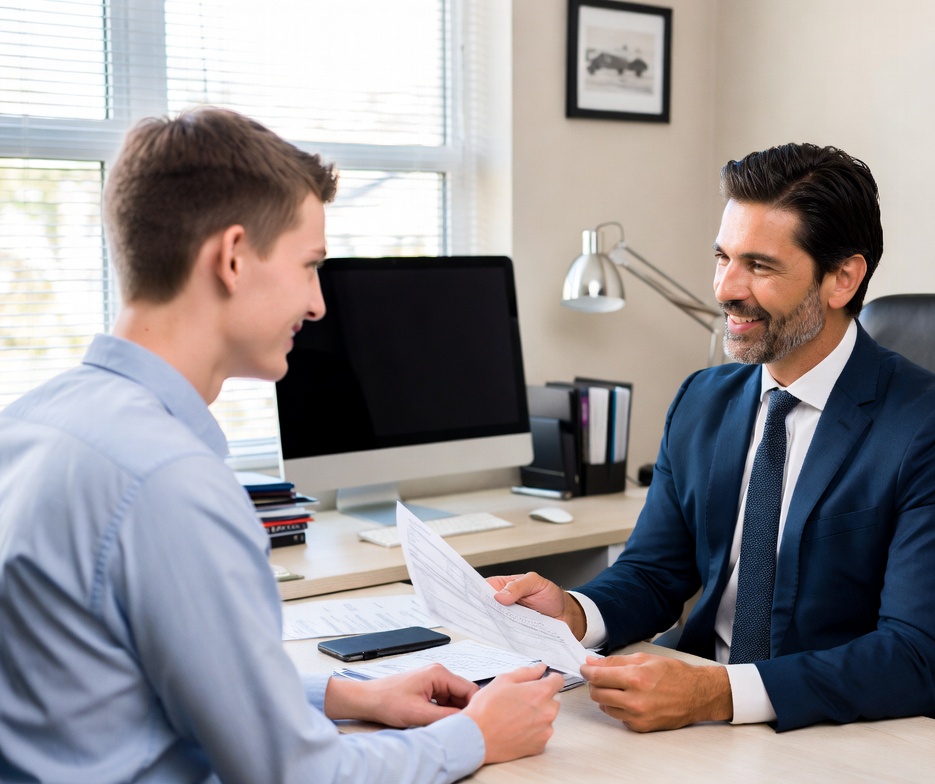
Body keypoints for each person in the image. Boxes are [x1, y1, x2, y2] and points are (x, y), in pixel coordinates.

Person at [0, 107, 562, 783]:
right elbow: (293, 775)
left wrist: (349, 693)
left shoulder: (31, 423)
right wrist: (475, 735)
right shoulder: (170, 483)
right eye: (309, 266)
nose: (319, 303)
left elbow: (125, 685)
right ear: (233, 257)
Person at [489, 143, 935, 733]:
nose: (726, 288)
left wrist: (718, 693)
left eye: (759, 266)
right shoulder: (704, 400)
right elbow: (654, 575)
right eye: (722, 257)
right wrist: (573, 613)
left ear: (842, 279)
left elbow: (917, 656)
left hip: (854, 733)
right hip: (705, 720)